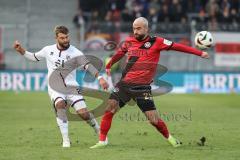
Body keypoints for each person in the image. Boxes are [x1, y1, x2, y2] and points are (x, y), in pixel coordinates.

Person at [90, 17, 209, 149]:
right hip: (124, 84)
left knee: (153, 120)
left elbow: (178, 47)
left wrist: (200, 53)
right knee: (109, 108)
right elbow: (120, 53)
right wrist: (110, 64)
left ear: (146, 28)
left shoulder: (157, 41)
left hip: (142, 87)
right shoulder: (128, 42)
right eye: (134, 28)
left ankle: (171, 139)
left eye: (138, 28)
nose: (135, 31)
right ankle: (102, 140)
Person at [13, 25, 109, 148]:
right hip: (55, 87)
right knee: (60, 106)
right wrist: (21, 50)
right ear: (56, 38)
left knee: (83, 114)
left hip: (72, 87)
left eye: (67, 37)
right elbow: (34, 57)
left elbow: (87, 66)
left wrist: (100, 78)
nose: (66, 40)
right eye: (62, 38)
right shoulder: (48, 50)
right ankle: (66, 140)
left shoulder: (75, 52)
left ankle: (99, 132)